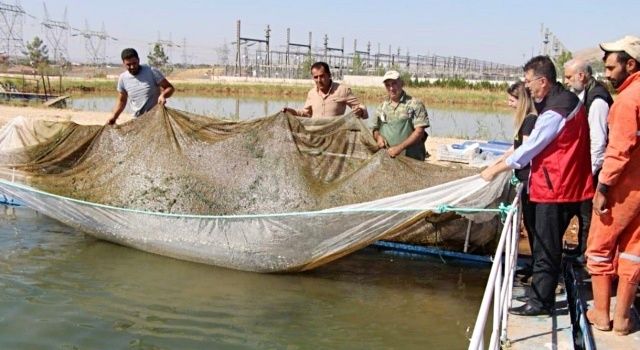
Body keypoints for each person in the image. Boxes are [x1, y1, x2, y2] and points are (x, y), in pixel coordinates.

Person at [481, 56, 594, 316]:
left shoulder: (556, 109)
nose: (526, 87)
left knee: (546, 245)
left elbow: (530, 148)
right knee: (546, 244)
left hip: (556, 187)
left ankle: (541, 302)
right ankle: (540, 296)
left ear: (543, 81)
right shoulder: (562, 101)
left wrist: (495, 169)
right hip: (559, 184)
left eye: (529, 82)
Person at [586, 35, 640, 336]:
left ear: (630, 65)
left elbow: (618, 149)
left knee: (599, 248)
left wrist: (603, 188)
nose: (606, 74)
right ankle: (623, 321)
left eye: (610, 68)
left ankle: (602, 314)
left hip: (624, 188)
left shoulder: (627, 101)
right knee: (634, 250)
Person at [563, 58, 613, 262]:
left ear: (581, 76)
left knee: (587, 213)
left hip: (597, 167)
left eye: (568, 77)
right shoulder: (586, 95)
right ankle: (582, 250)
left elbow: (598, 142)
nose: (566, 81)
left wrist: (587, 172)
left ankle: (587, 254)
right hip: (590, 166)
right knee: (581, 210)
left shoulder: (597, 100)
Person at [497, 82, 538, 279]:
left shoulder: (530, 121)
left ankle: (538, 268)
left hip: (530, 183)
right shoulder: (525, 121)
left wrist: (499, 167)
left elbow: (525, 152)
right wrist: (497, 161)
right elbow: (514, 149)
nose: (509, 103)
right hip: (524, 181)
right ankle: (535, 265)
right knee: (530, 225)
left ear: (522, 101)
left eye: (512, 100)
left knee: (533, 225)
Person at [371, 70, 430, 161]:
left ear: (401, 83)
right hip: (388, 157)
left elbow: (419, 132)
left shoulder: (415, 104)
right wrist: (378, 137)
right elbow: (374, 129)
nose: (391, 88)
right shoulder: (382, 107)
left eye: (394, 83)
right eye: (387, 85)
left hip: (412, 158)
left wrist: (399, 148)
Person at [108, 48, 175, 125]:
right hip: (137, 120)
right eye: (128, 65)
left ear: (138, 60)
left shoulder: (151, 71)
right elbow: (122, 101)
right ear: (123, 63)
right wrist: (114, 117)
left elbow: (170, 88)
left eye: (134, 63)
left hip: (155, 118)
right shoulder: (123, 78)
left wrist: (163, 95)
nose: (132, 67)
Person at [281, 61, 367, 118]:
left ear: (329, 75)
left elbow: (361, 108)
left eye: (322, 76)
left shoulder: (342, 90)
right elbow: (306, 114)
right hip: (315, 137)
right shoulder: (311, 93)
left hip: (336, 137)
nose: (319, 80)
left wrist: (361, 111)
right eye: (315, 77)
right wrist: (290, 111)